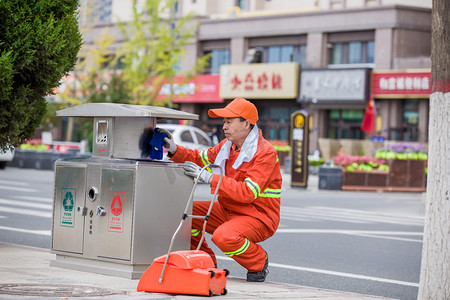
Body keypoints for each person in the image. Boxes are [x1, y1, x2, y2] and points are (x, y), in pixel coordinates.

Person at [158, 97, 282, 282]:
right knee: (185, 215)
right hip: (229, 210)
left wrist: (209, 177)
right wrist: (174, 149)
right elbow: (199, 158)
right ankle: (206, 262)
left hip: (258, 216)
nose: (224, 126)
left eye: (229, 122)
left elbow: (247, 192)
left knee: (223, 237)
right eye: (224, 122)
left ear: (246, 123)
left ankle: (258, 261)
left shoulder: (265, 152)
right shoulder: (227, 147)